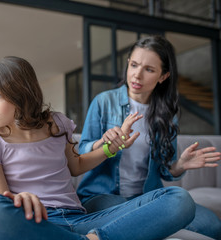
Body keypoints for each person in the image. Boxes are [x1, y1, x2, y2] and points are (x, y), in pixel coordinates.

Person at [0, 56, 196, 240]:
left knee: (179, 199)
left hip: (82, 220)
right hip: (39, 223)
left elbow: (76, 165)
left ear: (20, 92)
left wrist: (110, 148)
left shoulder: (56, 124)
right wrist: (20, 197)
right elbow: (0, 200)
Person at [76, 35, 221, 239]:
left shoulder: (166, 115)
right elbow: (81, 151)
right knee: (130, 212)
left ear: (163, 76)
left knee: (211, 225)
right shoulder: (103, 102)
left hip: (146, 196)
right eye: (134, 65)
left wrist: (180, 165)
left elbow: (164, 169)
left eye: (149, 70)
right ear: (128, 64)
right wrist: (102, 143)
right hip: (103, 196)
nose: (137, 75)